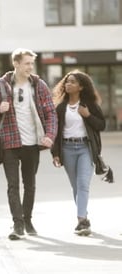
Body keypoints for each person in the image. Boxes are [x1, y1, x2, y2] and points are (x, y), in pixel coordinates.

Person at [0, 48, 57, 240]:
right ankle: (18, 224)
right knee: (13, 186)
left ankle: (28, 219)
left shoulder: (39, 85)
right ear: (15, 63)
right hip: (10, 142)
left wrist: (50, 135)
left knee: (30, 184)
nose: (30, 67)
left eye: (32, 63)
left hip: (33, 143)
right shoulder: (1, 85)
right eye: (26, 63)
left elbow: (50, 113)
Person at [51, 70, 106, 236]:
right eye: (67, 82)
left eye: (73, 82)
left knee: (83, 184)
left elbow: (101, 125)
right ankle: (84, 215)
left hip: (85, 148)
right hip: (67, 149)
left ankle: (82, 220)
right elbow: (55, 132)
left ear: (81, 87)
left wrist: (88, 115)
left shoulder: (89, 105)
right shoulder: (60, 108)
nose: (68, 84)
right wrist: (55, 153)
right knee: (76, 187)